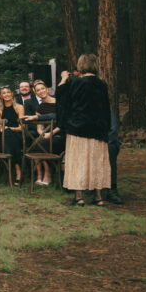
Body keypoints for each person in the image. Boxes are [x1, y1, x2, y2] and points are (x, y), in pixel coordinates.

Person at [57, 55, 112, 206]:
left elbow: (62, 99)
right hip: (98, 129)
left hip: (78, 128)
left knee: (78, 161)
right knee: (97, 162)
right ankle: (98, 197)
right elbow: (106, 108)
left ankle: (79, 197)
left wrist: (63, 79)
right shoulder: (102, 84)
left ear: (81, 65)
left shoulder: (76, 83)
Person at [26, 79, 61, 186]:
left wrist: (51, 133)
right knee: (35, 145)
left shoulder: (58, 102)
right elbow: (39, 127)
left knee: (40, 145)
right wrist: (42, 133)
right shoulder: (39, 107)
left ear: (47, 89)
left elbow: (62, 122)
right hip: (46, 135)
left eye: (42, 89)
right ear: (36, 93)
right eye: (38, 90)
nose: (41, 91)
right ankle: (39, 174)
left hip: (58, 135)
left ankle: (47, 173)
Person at [0, 85, 26, 186]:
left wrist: (10, 129)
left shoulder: (19, 107)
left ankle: (8, 168)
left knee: (9, 135)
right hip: (4, 135)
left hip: (17, 134)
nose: (6, 94)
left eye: (8, 92)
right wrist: (3, 128)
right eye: (4, 93)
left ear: (12, 94)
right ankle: (18, 172)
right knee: (7, 136)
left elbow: (22, 127)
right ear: (1, 96)